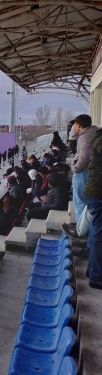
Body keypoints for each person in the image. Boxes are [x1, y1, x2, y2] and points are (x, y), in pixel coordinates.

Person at [70, 115, 99, 227]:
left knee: (80, 201)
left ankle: (80, 229)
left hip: (83, 172)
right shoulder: (94, 133)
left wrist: (76, 168)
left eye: (75, 125)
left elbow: (84, 157)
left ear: (79, 125)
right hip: (90, 171)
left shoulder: (85, 136)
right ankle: (82, 227)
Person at [84, 127, 102, 290]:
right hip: (98, 193)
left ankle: (93, 272)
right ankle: (96, 276)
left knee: (96, 232)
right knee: (99, 234)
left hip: (95, 192)